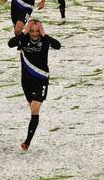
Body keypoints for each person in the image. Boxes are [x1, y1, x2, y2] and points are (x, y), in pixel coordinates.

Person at [8, 19, 61, 151]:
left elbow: (58, 45)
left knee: (35, 109)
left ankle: (27, 142)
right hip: (26, 80)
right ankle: (29, 139)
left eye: (37, 31)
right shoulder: (24, 39)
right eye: (32, 31)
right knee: (32, 108)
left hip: (41, 78)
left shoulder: (44, 40)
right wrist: (24, 32)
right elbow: (10, 44)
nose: (35, 34)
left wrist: (45, 34)